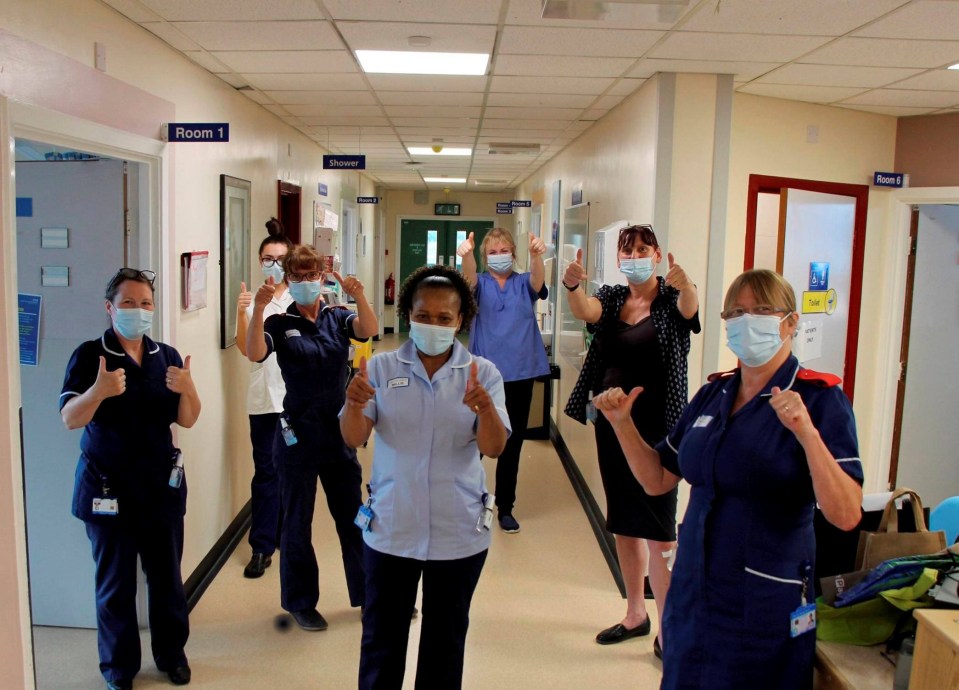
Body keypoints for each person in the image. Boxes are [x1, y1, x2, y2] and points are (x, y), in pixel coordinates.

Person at [592, 268, 863, 690]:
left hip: (765, 600)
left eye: (761, 310)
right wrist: (622, 425)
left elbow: (845, 514)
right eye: (736, 312)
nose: (746, 320)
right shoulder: (712, 396)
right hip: (694, 590)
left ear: (790, 322)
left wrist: (807, 434)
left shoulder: (820, 399)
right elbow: (658, 479)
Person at [340, 265, 510, 690]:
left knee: (444, 644)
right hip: (392, 528)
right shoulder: (378, 368)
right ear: (407, 315)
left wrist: (485, 409)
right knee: (382, 640)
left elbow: (493, 448)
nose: (432, 324)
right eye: (422, 315)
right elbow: (353, 437)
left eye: (444, 318)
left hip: (458, 532)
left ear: (460, 322)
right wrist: (354, 403)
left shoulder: (482, 374)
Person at [60, 268, 201, 690]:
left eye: (145, 304)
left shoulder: (168, 356)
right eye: (127, 303)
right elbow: (70, 418)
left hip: (160, 487)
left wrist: (189, 389)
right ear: (109, 308)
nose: (137, 311)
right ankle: (118, 669)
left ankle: (171, 655)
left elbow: (188, 420)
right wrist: (98, 392)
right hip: (108, 489)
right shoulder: (90, 356)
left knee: (167, 582)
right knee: (115, 585)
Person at [563, 224, 699, 652]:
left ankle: (669, 627)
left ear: (657, 254)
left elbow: (691, 313)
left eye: (643, 249)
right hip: (612, 423)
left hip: (659, 427)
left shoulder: (672, 297)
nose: (635, 255)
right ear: (619, 259)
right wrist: (570, 286)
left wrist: (687, 284)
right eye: (628, 250)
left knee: (660, 530)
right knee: (623, 521)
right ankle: (636, 614)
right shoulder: (615, 296)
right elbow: (586, 311)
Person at [245, 244, 377, 632]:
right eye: (297, 276)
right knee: (296, 523)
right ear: (289, 279)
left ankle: (370, 595)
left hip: (338, 432)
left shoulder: (337, 316)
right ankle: (301, 602)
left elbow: (368, 330)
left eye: (311, 274)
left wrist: (361, 296)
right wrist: (256, 309)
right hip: (296, 436)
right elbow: (254, 353)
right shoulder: (280, 321)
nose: (305, 282)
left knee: (354, 518)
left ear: (323, 276)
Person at [456, 227, 549, 533]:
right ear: (485, 257)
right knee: (476, 441)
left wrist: (538, 257)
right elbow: (467, 279)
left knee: (513, 442)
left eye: (504, 250)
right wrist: (467, 257)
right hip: (484, 376)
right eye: (492, 252)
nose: (499, 256)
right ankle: (463, 500)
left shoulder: (523, 283)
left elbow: (538, 280)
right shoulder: (480, 283)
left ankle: (505, 507)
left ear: (514, 253)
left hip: (521, 372)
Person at [235, 219, 294, 578]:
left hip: (296, 401)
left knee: (293, 472)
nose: (274, 264)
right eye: (268, 258)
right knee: (266, 472)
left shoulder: (301, 296)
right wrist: (249, 311)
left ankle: (289, 538)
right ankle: (261, 546)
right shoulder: (250, 299)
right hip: (263, 401)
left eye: (281, 258)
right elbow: (246, 349)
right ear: (259, 260)